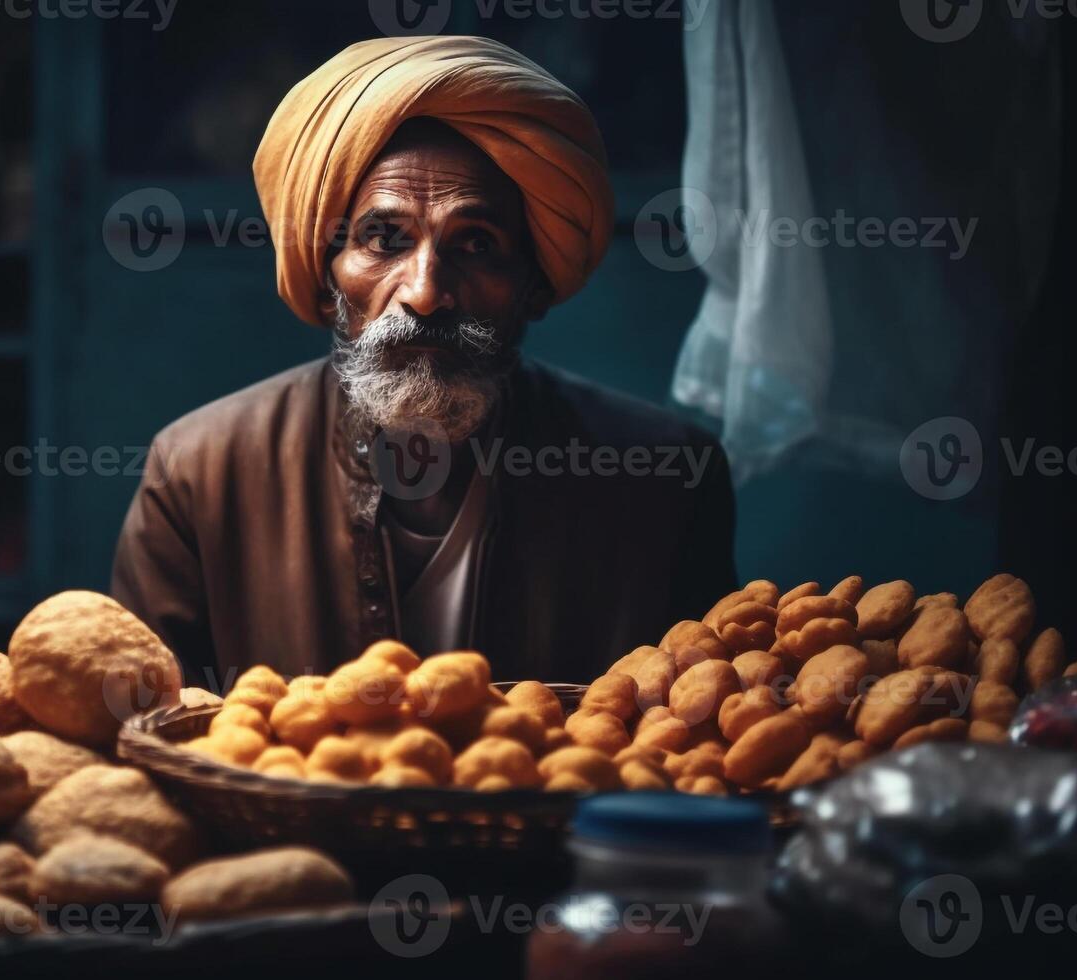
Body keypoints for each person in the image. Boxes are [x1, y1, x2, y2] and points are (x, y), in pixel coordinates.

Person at [112, 36, 736, 686]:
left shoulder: (664, 481)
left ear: (534, 283)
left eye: (474, 243)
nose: (424, 292)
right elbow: (146, 741)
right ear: (328, 279)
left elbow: (700, 745)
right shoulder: (197, 475)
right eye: (383, 238)